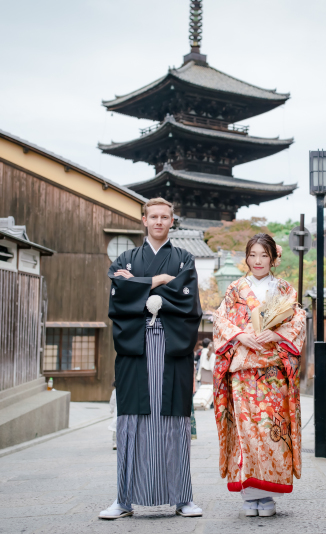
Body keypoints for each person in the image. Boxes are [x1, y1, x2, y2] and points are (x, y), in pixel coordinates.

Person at [99, 198, 203, 520]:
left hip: (172, 348)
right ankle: (124, 499)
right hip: (136, 347)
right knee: (131, 422)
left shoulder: (184, 258)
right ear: (144, 220)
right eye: (153, 216)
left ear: (172, 221)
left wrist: (139, 286)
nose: (159, 221)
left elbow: (188, 301)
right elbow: (119, 294)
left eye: (164, 217)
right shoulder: (126, 258)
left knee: (175, 423)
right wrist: (158, 281)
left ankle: (182, 497)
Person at [212, 233, 306, 518]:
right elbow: (220, 319)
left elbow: (298, 319)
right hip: (243, 371)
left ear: (273, 258)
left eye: (264, 255)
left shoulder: (284, 289)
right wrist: (239, 335)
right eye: (252, 255)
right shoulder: (235, 289)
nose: (257, 261)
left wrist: (276, 334)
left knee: (270, 431)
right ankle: (250, 494)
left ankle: (267, 494)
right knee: (246, 432)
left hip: (272, 373)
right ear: (246, 257)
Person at [109, 380, 117, 450]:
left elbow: (112, 402)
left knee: (115, 426)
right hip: (118, 410)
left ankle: (115, 442)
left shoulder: (115, 391)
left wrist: (111, 410)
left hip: (116, 410)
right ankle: (115, 442)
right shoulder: (115, 391)